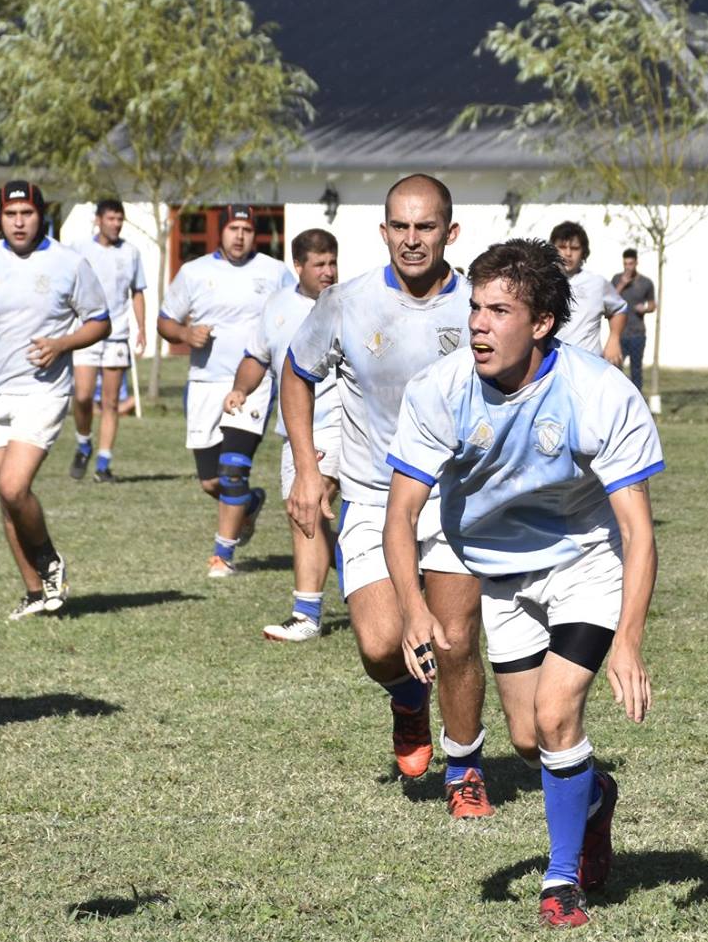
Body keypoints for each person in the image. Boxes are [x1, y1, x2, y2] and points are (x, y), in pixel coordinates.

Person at [385, 237, 662, 926]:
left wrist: (628, 639)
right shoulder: (440, 390)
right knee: (530, 740)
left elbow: (638, 531)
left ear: (541, 323)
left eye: (499, 310)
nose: (479, 323)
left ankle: (560, 879)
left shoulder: (599, 392)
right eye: (475, 306)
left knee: (559, 711)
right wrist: (414, 608)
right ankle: (594, 797)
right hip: (499, 573)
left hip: (584, 563)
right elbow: (400, 516)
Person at [281, 174, 478, 782]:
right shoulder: (345, 301)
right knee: (378, 643)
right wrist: (309, 469)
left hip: (456, 497)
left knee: (453, 641)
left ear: (451, 231)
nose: (412, 240)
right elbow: (295, 374)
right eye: (401, 226)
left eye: (426, 227)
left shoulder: (478, 304)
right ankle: (409, 702)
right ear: (384, 230)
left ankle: (464, 773)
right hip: (373, 494)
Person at [0, 180, 112, 619]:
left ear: (41, 214)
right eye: (10, 215)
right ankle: (36, 595)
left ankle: (47, 556)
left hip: (43, 390)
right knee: (7, 499)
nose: (19, 221)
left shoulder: (69, 262)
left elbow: (99, 322)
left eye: (27, 213)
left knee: (15, 486)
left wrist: (62, 344)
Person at [158, 205, 295, 578]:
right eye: (233, 228)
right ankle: (248, 505)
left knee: (233, 470)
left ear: (255, 234)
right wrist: (185, 335)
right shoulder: (194, 272)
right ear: (222, 232)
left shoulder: (274, 271)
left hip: (253, 384)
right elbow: (165, 321)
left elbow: (298, 309)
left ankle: (223, 556)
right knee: (211, 482)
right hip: (205, 384)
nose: (239, 236)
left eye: (246, 229)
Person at [225, 227, 340, 642]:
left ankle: (307, 613)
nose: (328, 272)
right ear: (298, 266)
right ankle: (340, 593)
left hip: (343, 425)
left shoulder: (348, 305)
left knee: (309, 503)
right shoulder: (276, 307)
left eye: (332, 263)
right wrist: (241, 388)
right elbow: (257, 357)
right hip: (297, 431)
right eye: (319, 264)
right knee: (302, 513)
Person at [69, 197, 147, 483]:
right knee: (83, 396)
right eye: (110, 218)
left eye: (119, 219)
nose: (115, 224)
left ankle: (103, 464)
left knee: (111, 402)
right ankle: (83, 442)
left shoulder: (131, 253)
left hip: (116, 335)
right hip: (86, 331)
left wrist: (141, 328)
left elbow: (137, 291)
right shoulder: (79, 249)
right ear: (98, 220)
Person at [548, 222, 627, 362]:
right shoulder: (542, 282)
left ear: (583, 252)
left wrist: (614, 339)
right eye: (562, 247)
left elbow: (619, 309)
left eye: (574, 248)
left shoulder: (597, 283)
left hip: (589, 364)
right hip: (552, 364)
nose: (568, 253)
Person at [611, 248, 654, 392]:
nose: (628, 267)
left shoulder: (645, 282)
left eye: (630, 264)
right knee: (615, 370)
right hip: (620, 334)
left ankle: (638, 403)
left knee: (636, 371)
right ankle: (618, 399)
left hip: (637, 334)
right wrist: (622, 284)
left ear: (636, 263)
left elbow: (653, 305)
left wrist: (645, 308)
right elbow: (610, 300)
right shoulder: (617, 279)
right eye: (625, 264)